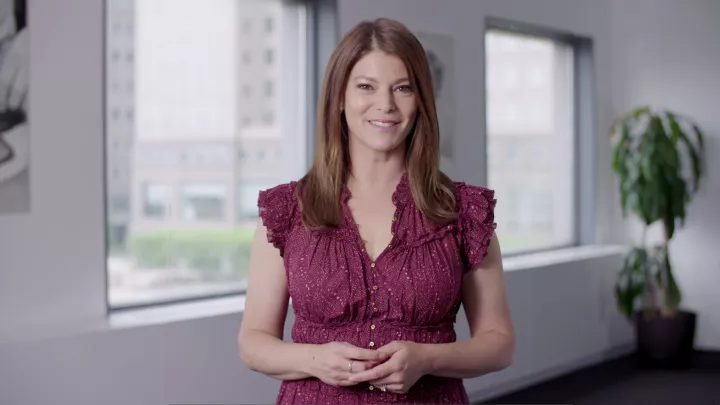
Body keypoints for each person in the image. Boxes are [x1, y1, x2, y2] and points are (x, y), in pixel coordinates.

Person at [238, 17, 514, 405]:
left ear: (420, 102)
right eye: (366, 86)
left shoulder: (464, 214)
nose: (385, 104)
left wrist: (428, 358)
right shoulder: (288, 211)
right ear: (339, 98)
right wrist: (315, 360)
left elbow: (499, 344)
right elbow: (252, 342)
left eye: (402, 88)